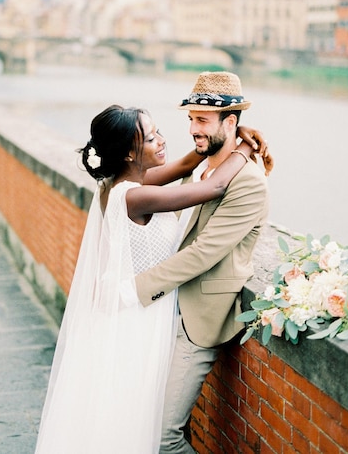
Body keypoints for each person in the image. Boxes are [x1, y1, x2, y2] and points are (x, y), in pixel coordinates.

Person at [34, 100, 271, 454]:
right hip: (140, 316)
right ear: (130, 154)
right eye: (150, 139)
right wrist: (245, 147)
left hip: (145, 310)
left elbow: (189, 163)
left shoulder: (123, 182)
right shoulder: (136, 196)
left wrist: (233, 134)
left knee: (133, 417)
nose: (161, 140)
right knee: (142, 423)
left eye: (159, 131)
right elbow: (214, 187)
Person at [134, 71, 271, 453]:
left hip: (200, 319)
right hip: (169, 307)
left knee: (163, 438)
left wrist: (136, 289)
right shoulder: (204, 166)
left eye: (202, 120)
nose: (193, 128)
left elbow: (204, 252)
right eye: (191, 119)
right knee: (151, 422)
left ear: (230, 122)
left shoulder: (247, 182)